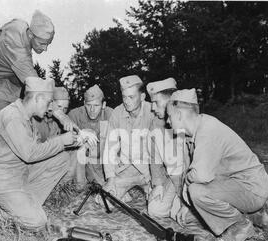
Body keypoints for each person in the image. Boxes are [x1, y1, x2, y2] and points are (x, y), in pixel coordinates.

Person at [0, 77, 97, 230]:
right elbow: (30, 154)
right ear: (38, 98)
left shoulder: (25, 117)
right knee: (37, 222)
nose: (50, 108)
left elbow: (42, 149)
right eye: (48, 102)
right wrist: (62, 141)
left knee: (62, 159)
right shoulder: (13, 116)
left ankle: (23, 204)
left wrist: (77, 139)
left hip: (16, 175)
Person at [166, 89, 268, 241]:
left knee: (197, 191)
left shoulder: (208, 130)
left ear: (179, 114)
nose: (167, 121)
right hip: (238, 184)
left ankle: (239, 226)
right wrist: (188, 205)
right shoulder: (192, 133)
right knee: (194, 208)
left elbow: (200, 176)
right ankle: (255, 214)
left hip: (251, 188)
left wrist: (188, 187)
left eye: (170, 115)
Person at [0, 10, 58, 117]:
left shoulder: (18, 24)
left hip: (12, 80)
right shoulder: (20, 55)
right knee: (8, 121)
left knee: (21, 116)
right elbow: (38, 88)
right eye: (42, 43)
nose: (45, 49)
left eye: (48, 44)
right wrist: (62, 117)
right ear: (30, 35)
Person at [101, 75, 162, 203]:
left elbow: (162, 150)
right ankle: (123, 192)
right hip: (126, 169)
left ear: (143, 96)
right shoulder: (117, 113)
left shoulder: (154, 111)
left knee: (156, 206)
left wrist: (158, 183)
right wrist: (110, 179)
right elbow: (110, 148)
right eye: (124, 97)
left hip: (149, 171)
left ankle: (146, 191)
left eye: (131, 97)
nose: (126, 101)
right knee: (105, 200)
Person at [145, 78, 188, 219]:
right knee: (155, 210)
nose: (152, 108)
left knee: (180, 213)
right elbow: (154, 158)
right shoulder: (156, 124)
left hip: (192, 179)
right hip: (173, 178)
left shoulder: (187, 119)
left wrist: (185, 199)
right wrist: (158, 185)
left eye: (156, 103)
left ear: (171, 100)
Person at [68, 84, 113, 185]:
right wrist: (80, 138)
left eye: (96, 105)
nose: (92, 110)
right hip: (80, 162)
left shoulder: (110, 114)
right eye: (89, 105)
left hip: (103, 160)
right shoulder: (74, 115)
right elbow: (67, 145)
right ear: (84, 103)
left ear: (103, 105)